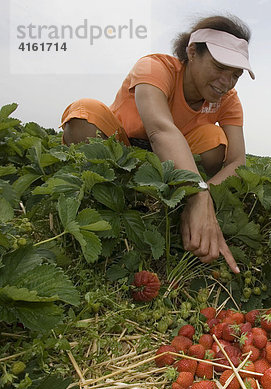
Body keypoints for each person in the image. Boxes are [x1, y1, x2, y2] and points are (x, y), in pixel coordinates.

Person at [60, 15, 256, 274]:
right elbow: (161, 131)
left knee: (215, 139)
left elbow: (237, 161)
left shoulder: (228, 100)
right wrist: (198, 196)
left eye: (235, 75)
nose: (226, 82)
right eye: (219, 67)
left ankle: (168, 199)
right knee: (84, 112)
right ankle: (98, 189)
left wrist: (206, 191)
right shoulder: (155, 68)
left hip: (171, 167)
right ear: (192, 52)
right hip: (122, 150)